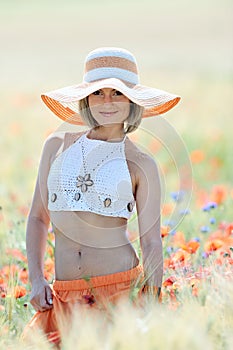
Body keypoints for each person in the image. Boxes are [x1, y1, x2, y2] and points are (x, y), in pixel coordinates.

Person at [23, 47, 180, 345]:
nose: (107, 102)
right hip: (64, 292)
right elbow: (36, 218)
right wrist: (35, 279)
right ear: (85, 99)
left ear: (132, 101)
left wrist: (152, 300)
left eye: (117, 94)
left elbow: (150, 241)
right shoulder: (55, 146)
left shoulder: (140, 163)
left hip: (119, 290)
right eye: (98, 93)